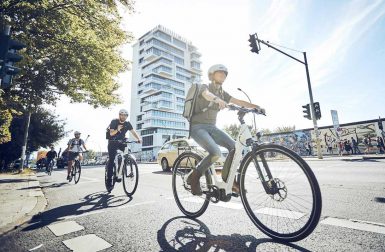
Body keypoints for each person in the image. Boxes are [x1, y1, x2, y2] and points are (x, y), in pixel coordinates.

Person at [187, 64, 265, 195]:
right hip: (197, 127)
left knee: (234, 147)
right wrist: (217, 99)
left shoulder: (222, 92)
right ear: (212, 75)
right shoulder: (204, 86)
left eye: (225, 74)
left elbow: (238, 101)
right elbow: (206, 95)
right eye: (220, 73)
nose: (223, 75)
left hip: (212, 127)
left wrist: (256, 106)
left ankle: (228, 179)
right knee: (216, 152)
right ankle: (194, 177)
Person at [106, 109, 141, 189]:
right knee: (111, 160)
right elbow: (111, 133)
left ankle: (120, 171)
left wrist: (138, 138)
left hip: (122, 141)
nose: (123, 116)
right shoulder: (114, 121)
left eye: (125, 115)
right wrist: (117, 129)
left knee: (126, 153)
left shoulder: (127, 123)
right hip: (112, 142)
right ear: (119, 115)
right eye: (122, 115)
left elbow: (133, 131)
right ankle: (109, 181)